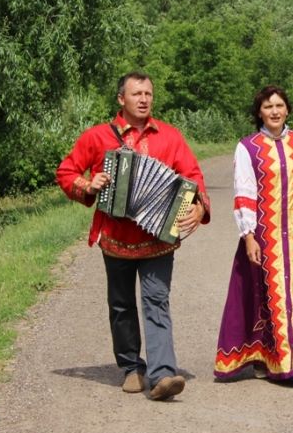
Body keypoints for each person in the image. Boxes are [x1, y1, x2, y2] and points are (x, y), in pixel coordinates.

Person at [56, 71, 210, 400]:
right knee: (122, 305)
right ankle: (130, 367)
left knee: (157, 301)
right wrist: (88, 184)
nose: (143, 99)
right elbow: (66, 171)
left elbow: (192, 176)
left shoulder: (170, 137)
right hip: (115, 238)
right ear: (120, 99)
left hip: (158, 240)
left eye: (148, 94)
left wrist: (198, 206)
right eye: (137, 94)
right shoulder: (98, 137)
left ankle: (162, 374)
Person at [214, 86, 293, 389]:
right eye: (268, 107)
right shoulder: (248, 147)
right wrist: (248, 235)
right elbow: (245, 193)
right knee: (268, 297)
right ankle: (268, 357)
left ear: (288, 110)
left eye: (280, 105)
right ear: (259, 112)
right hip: (265, 233)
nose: (275, 111)